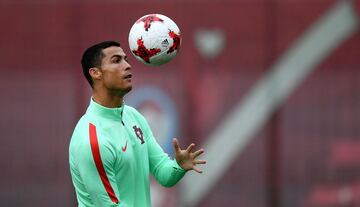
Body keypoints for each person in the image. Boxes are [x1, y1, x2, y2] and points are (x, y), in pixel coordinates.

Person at [69, 40, 206, 207]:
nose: (127, 65)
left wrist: (178, 166)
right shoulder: (92, 140)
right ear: (95, 73)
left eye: (126, 59)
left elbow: (163, 173)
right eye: (116, 60)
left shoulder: (134, 117)